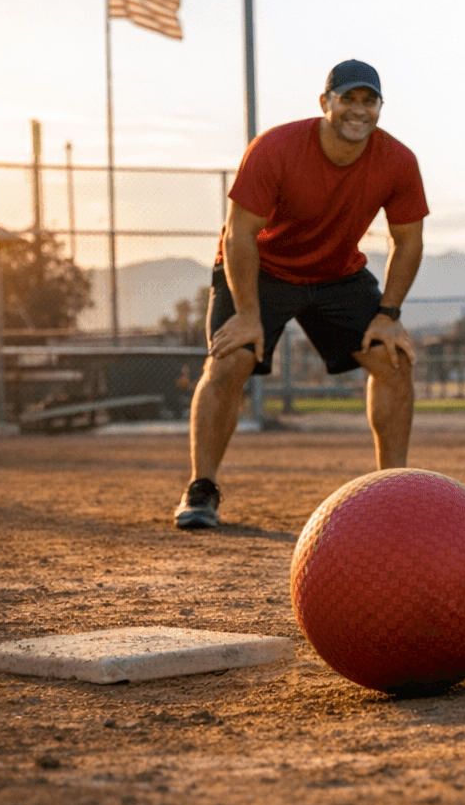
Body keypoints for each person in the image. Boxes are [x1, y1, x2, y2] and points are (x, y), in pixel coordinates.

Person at [174, 60, 426, 529]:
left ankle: (395, 489)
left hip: (337, 272)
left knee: (391, 358)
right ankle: (201, 489)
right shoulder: (276, 147)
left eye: (368, 100)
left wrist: (389, 313)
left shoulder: (398, 160)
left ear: (379, 108)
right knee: (229, 359)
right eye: (347, 98)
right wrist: (248, 313)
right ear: (324, 102)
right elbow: (239, 235)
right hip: (262, 268)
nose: (358, 109)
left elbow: (409, 240)